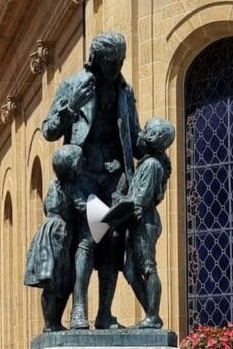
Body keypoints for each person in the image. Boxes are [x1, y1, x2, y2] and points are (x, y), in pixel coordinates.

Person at [41, 31, 141, 330]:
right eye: (111, 62)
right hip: (83, 171)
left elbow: (133, 138)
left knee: (112, 240)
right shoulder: (73, 85)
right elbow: (48, 131)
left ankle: (106, 313)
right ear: (97, 59)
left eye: (120, 61)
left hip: (115, 172)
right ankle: (79, 310)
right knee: (87, 237)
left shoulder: (125, 91)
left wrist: (153, 146)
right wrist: (70, 107)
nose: (116, 67)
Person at [104, 118, 175, 329]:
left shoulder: (152, 165)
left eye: (145, 131)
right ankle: (151, 315)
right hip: (138, 222)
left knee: (147, 267)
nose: (141, 134)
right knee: (130, 271)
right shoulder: (146, 163)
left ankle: (153, 316)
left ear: (152, 138)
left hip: (145, 222)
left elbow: (140, 200)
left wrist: (115, 211)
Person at [24, 145, 81, 331]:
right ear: (71, 166)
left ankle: (53, 322)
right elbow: (80, 205)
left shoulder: (57, 185)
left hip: (58, 234)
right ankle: (51, 323)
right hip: (57, 236)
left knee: (63, 282)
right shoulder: (66, 187)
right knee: (55, 281)